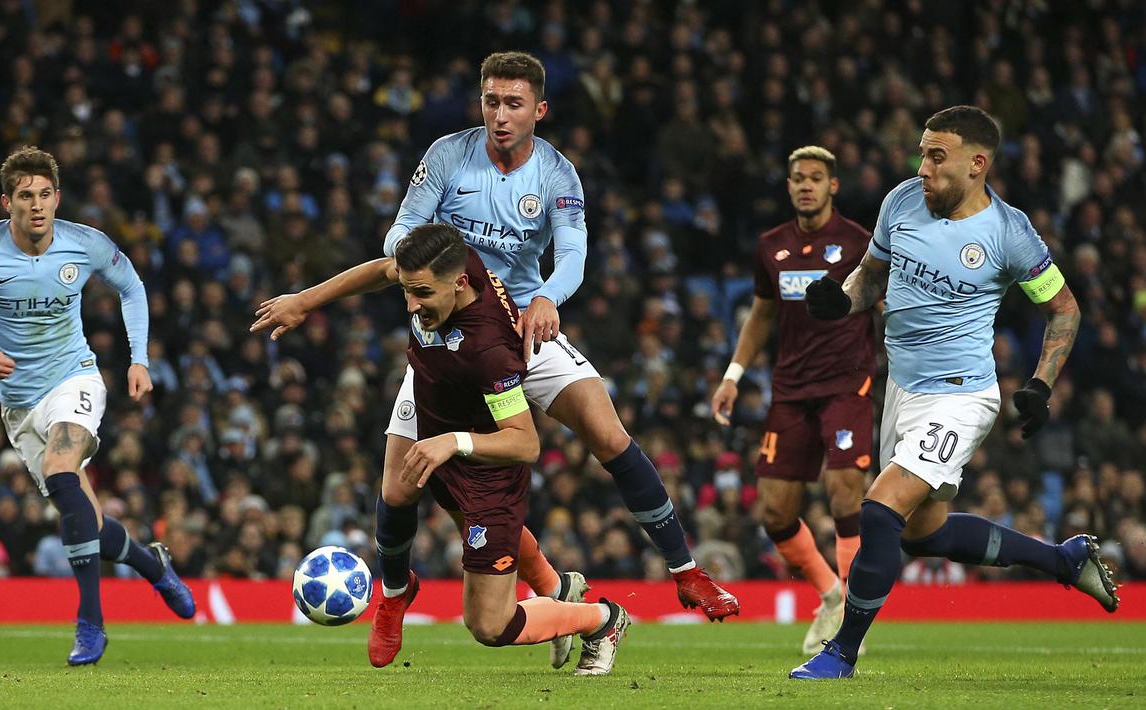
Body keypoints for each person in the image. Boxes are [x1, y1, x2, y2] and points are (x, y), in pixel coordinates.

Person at [253, 50, 738, 622]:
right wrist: (415, 260)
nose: (500, 115)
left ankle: (686, 572)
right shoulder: (447, 157)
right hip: (449, 336)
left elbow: (575, 253)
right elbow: (400, 237)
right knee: (399, 481)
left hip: (524, 328)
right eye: (491, 102)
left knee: (609, 434)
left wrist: (546, 298)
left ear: (540, 108)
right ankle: (396, 595)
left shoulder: (556, 173)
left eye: (513, 103)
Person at [791, 106, 1119, 680]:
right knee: (924, 533)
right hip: (902, 388)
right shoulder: (900, 202)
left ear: (977, 164)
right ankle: (1065, 560)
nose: (922, 166)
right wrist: (843, 299)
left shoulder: (1009, 233)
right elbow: (872, 275)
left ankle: (840, 653)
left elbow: (1063, 310)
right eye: (921, 152)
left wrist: (1042, 384)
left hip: (961, 396)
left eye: (935, 156)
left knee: (880, 508)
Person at [0, 146, 196, 666]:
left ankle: (91, 623)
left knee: (62, 469)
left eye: (45, 194)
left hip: (74, 379)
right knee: (82, 515)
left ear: (57, 197)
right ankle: (152, 566)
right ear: (7, 202)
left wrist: (139, 358)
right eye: (26, 196)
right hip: (18, 405)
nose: (37, 205)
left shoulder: (83, 243)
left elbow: (131, 286)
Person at [367, 224, 630, 675]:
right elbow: (381, 270)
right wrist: (304, 302)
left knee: (489, 625)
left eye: (422, 294)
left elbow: (526, 443)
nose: (411, 306)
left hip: (485, 470)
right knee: (395, 490)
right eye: (408, 292)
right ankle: (551, 585)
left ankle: (602, 620)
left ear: (459, 284)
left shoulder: (489, 350)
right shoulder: (451, 264)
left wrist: (453, 442)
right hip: (445, 428)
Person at [710, 146, 874, 654]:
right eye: (798, 178)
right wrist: (733, 374)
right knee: (775, 514)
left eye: (816, 178)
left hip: (848, 383)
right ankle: (830, 596)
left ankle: (852, 616)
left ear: (832, 186)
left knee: (846, 493)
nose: (806, 185)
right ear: (788, 186)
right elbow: (761, 315)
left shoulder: (859, 242)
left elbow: (884, 305)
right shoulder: (771, 246)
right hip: (790, 390)